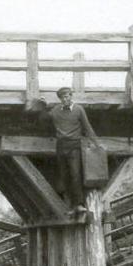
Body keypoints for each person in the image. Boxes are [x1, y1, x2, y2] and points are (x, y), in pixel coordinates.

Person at [48, 86, 98, 216]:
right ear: (60, 99)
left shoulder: (78, 109)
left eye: (68, 96)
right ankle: (70, 206)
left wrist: (96, 144)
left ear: (71, 96)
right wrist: (43, 105)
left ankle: (79, 204)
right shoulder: (55, 111)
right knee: (65, 176)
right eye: (63, 97)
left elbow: (87, 127)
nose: (66, 99)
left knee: (75, 174)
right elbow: (43, 119)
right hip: (61, 146)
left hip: (74, 146)